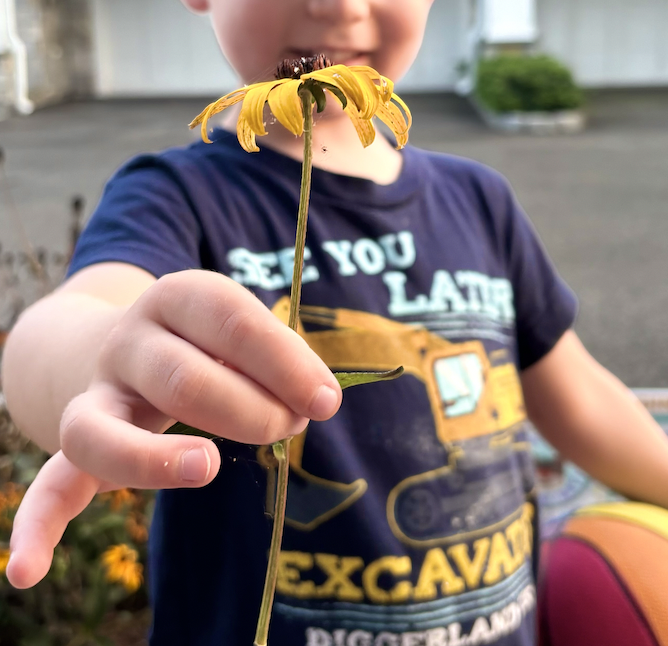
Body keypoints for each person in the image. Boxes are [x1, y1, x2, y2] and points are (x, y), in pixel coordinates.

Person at [3, 1, 668, 644]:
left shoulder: (480, 199)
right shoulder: (177, 197)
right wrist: (111, 358)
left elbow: (577, 396)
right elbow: (69, 323)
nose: (337, 4)